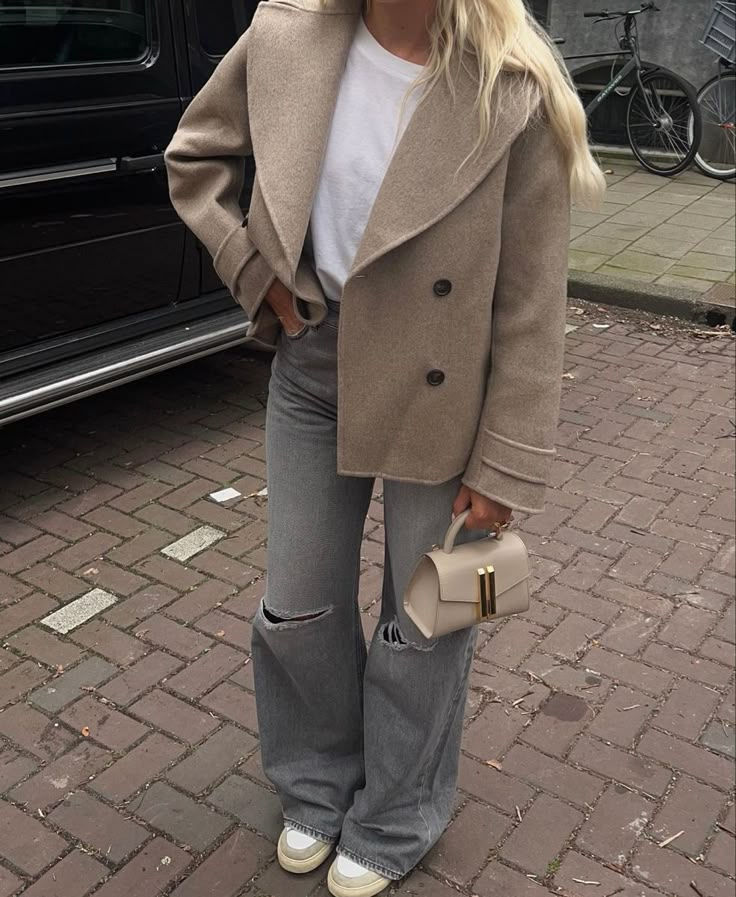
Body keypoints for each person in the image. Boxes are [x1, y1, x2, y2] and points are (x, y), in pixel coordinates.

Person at [164, 0, 605, 893]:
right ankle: (315, 785)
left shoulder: (513, 86)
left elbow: (531, 304)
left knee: (433, 615)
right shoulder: (287, 34)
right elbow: (195, 158)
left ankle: (400, 810)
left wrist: (506, 463)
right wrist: (252, 270)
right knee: (296, 602)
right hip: (312, 365)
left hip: (441, 389)